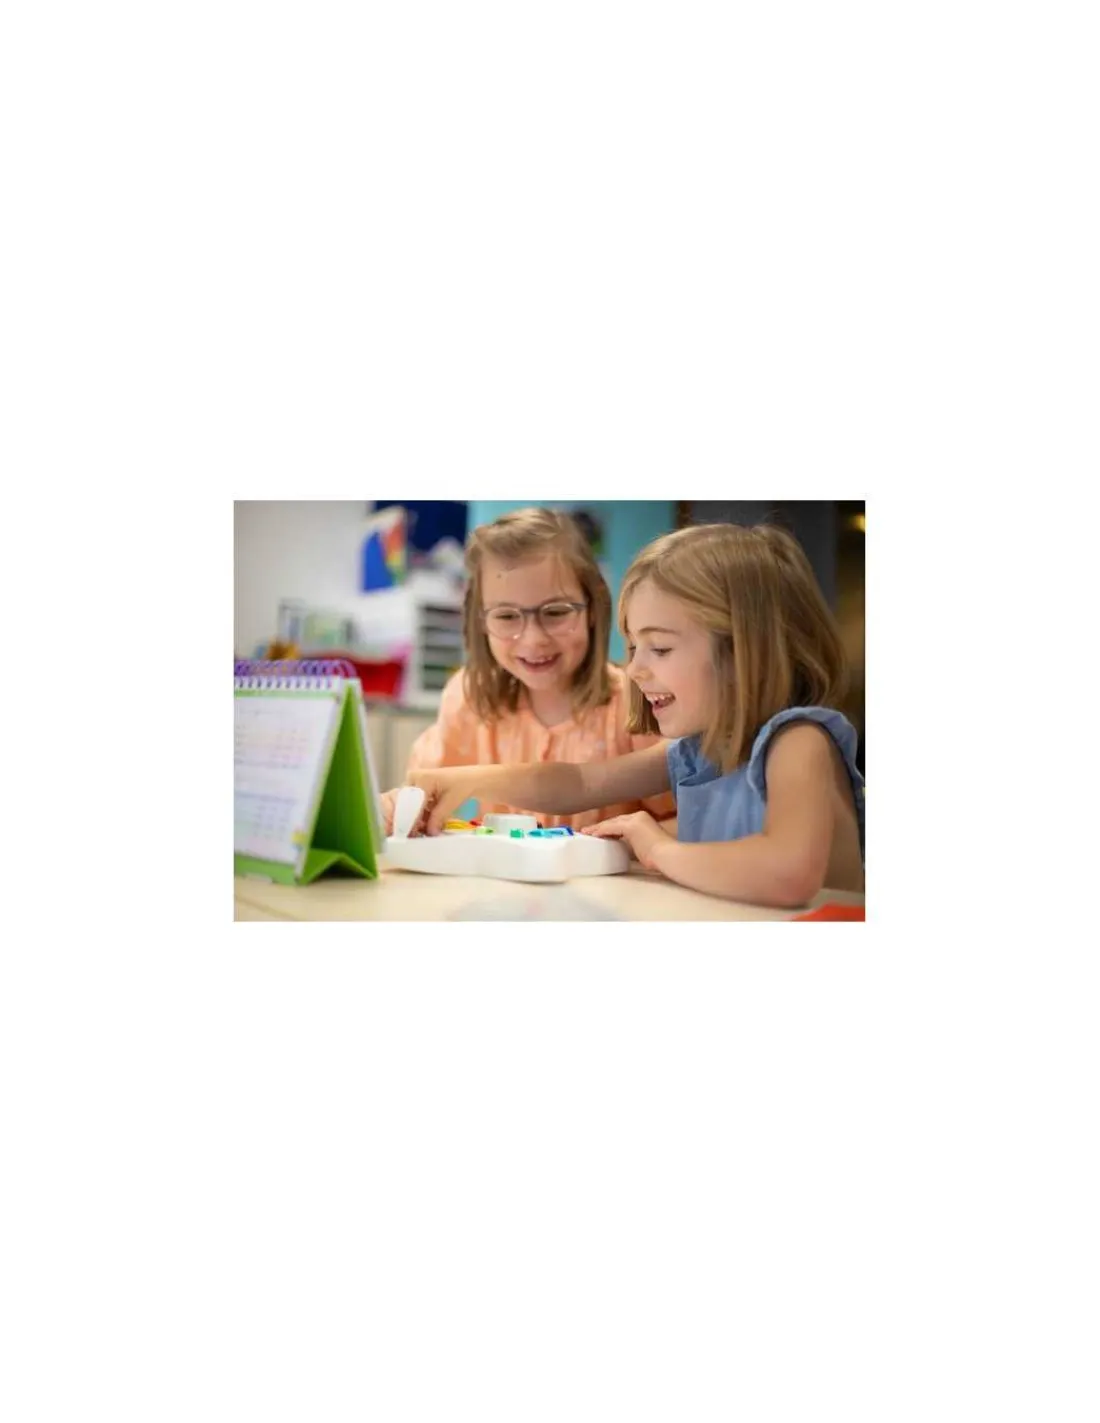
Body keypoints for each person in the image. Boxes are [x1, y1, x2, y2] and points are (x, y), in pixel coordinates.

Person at [402, 522, 865, 907]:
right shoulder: (697, 753)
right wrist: (472, 781)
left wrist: (656, 846)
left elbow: (787, 876)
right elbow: (580, 783)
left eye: (659, 648)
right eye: (633, 647)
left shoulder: (798, 743)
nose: (637, 669)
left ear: (743, 651)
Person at [379, 507, 675, 832]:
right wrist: (399, 806)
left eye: (556, 612)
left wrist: (623, 845)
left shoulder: (636, 703)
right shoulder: (468, 696)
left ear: (593, 609)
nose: (533, 640)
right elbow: (420, 793)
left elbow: (686, 823)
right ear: (481, 620)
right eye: (507, 616)